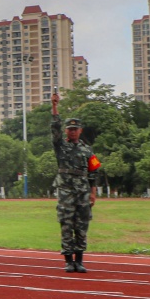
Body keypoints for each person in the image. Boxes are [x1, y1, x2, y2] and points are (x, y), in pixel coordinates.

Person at [51, 91, 99, 273]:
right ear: (66, 131)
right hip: (66, 191)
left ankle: (79, 260)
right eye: (69, 128)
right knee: (66, 225)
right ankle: (68, 261)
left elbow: (94, 172)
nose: (72, 131)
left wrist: (93, 193)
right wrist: (55, 106)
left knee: (82, 225)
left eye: (75, 128)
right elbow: (54, 128)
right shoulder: (61, 146)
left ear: (80, 130)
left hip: (83, 192)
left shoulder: (88, 150)